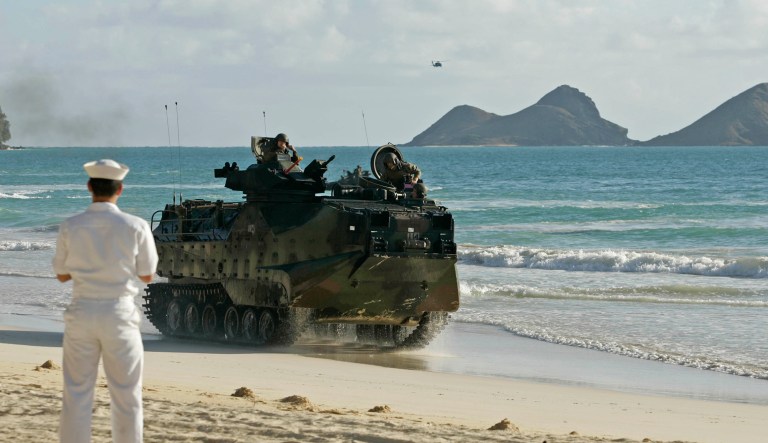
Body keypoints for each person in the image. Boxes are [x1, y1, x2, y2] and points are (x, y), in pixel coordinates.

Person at [52, 159, 159, 443]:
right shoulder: (136, 226)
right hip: (119, 314)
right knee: (127, 394)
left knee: (76, 393)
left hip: (82, 311)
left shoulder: (70, 225)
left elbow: (62, 275)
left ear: (89, 187)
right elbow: (147, 274)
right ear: (120, 189)